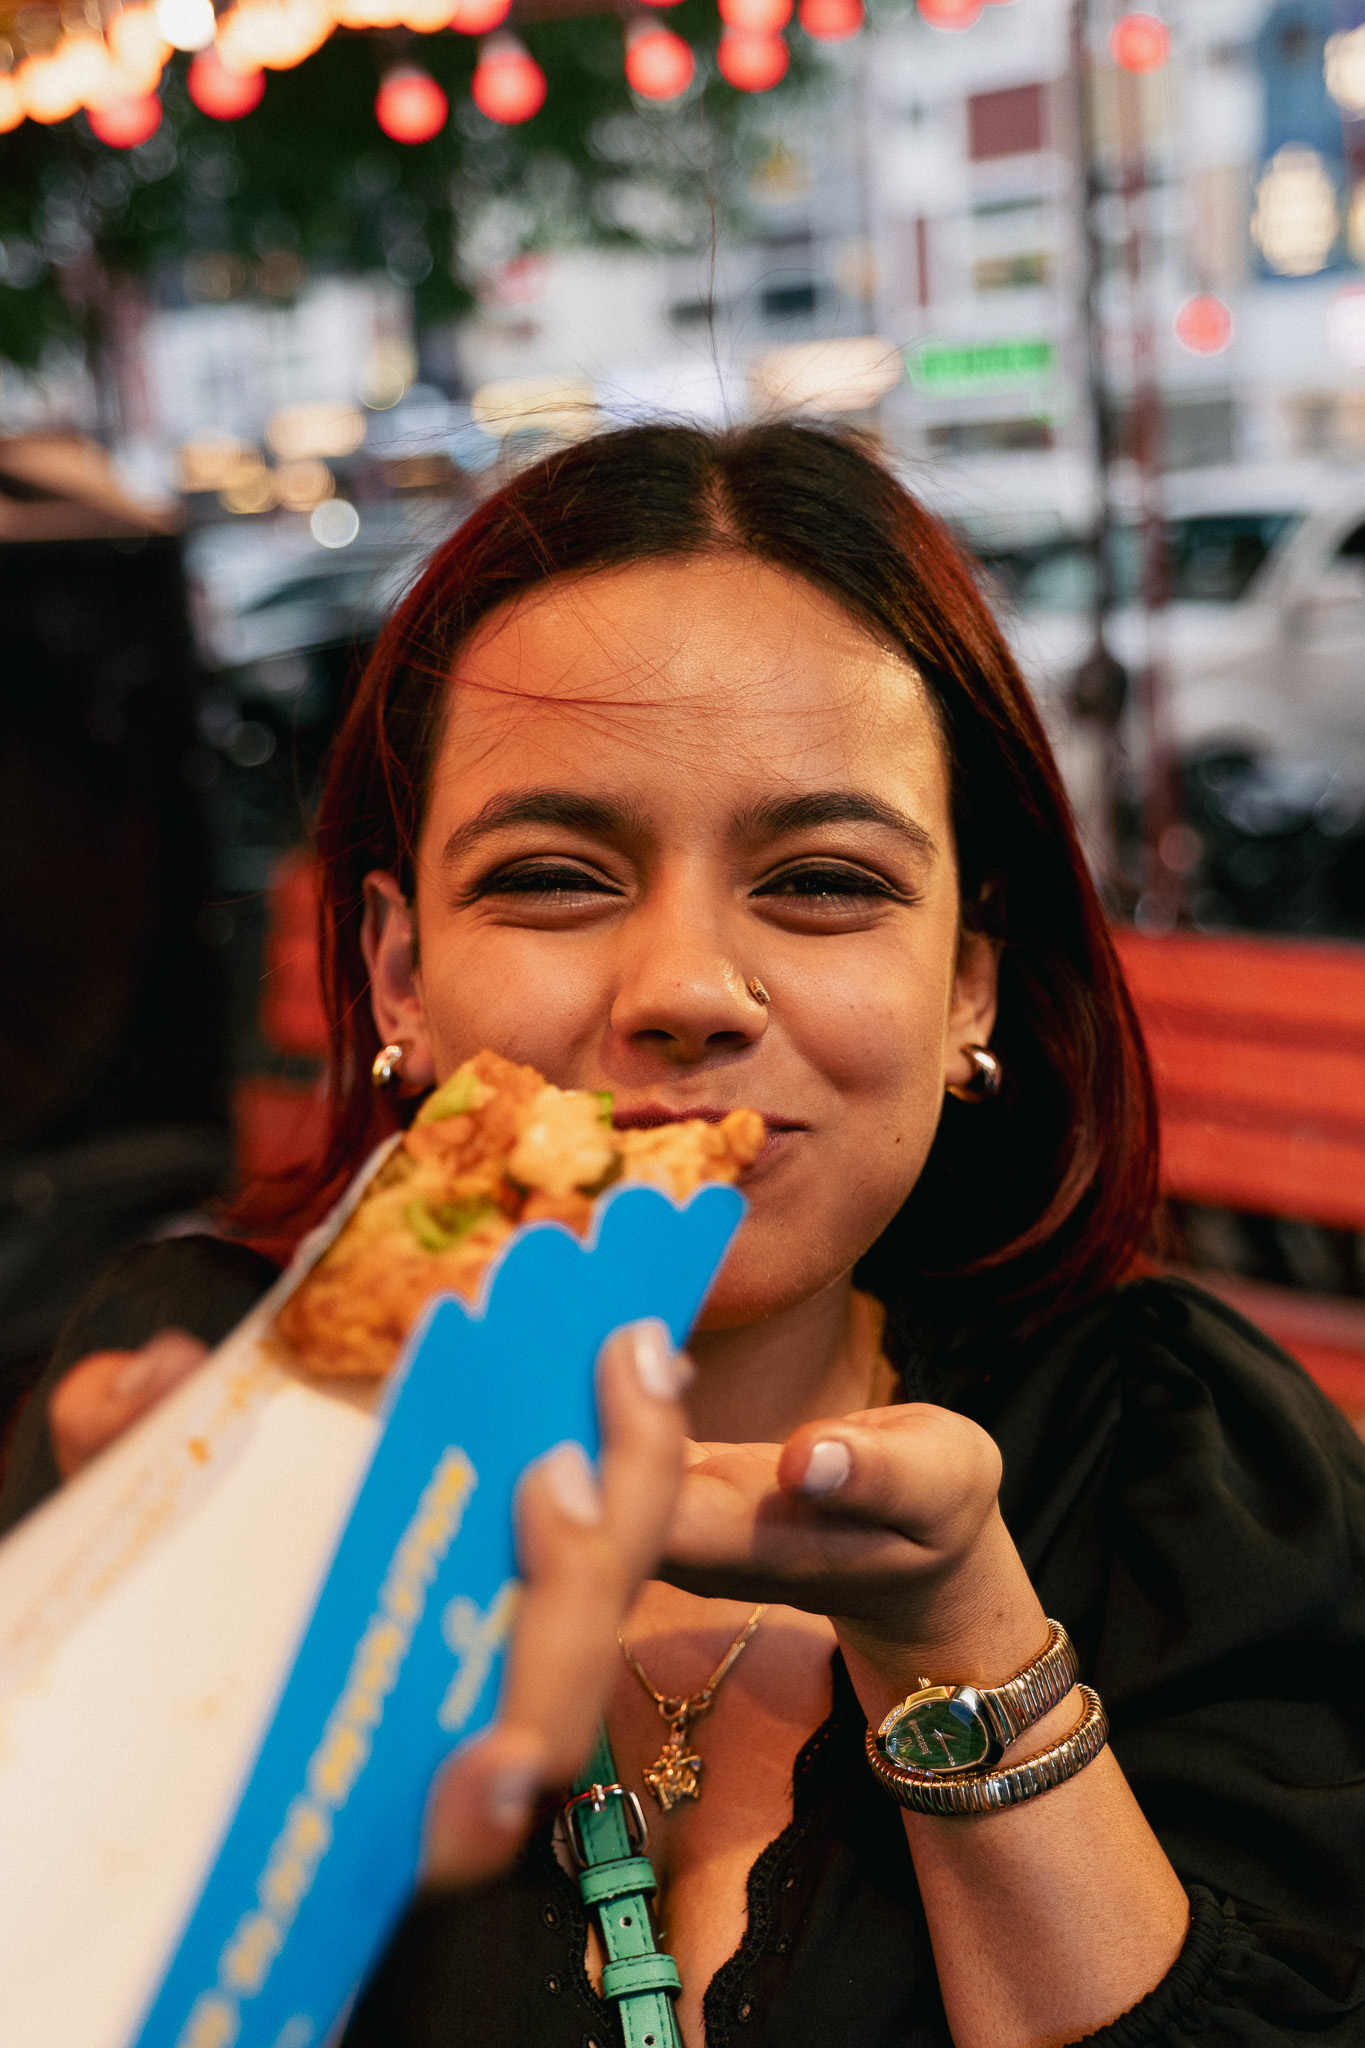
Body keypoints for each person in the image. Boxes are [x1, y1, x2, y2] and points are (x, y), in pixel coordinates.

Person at [5, 424, 1363, 2046]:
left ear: (968, 983)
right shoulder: (201, 1404)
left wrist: (952, 1634)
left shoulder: (1173, 1459)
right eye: (555, 877)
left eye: (824, 881)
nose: (687, 993)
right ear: (397, 977)